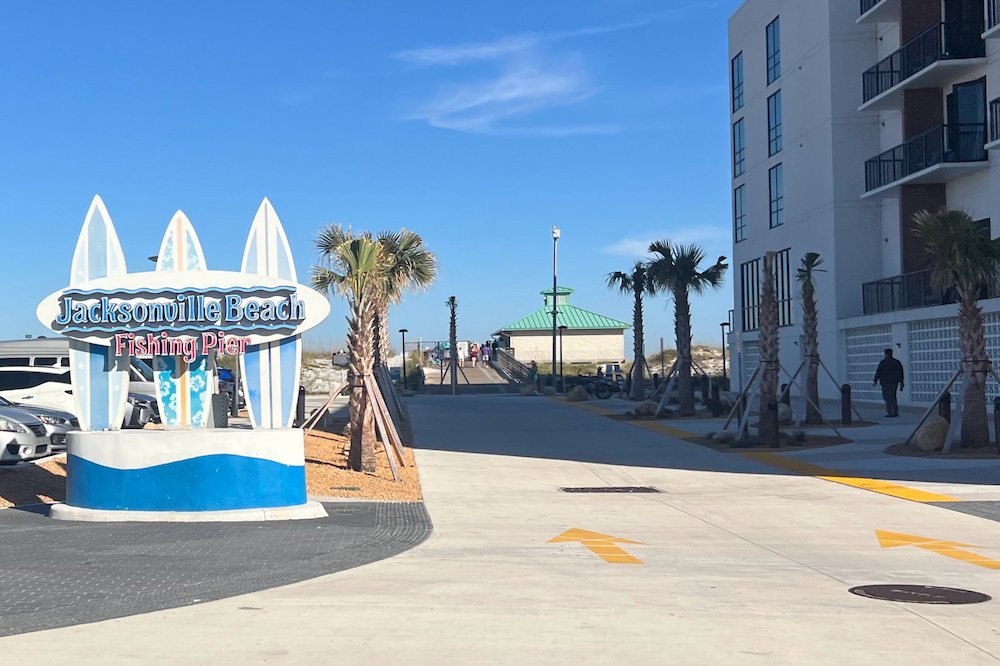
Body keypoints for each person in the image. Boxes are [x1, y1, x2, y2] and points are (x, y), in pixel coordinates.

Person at [873, 348, 905, 417]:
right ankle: (895, 412)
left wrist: (875, 381)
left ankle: (890, 412)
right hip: (894, 383)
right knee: (893, 396)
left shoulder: (883, 362)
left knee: (886, 397)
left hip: (885, 383)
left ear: (885, 354)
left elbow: (878, 372)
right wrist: (901, 382)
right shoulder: (897, 362)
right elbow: (901, 373)